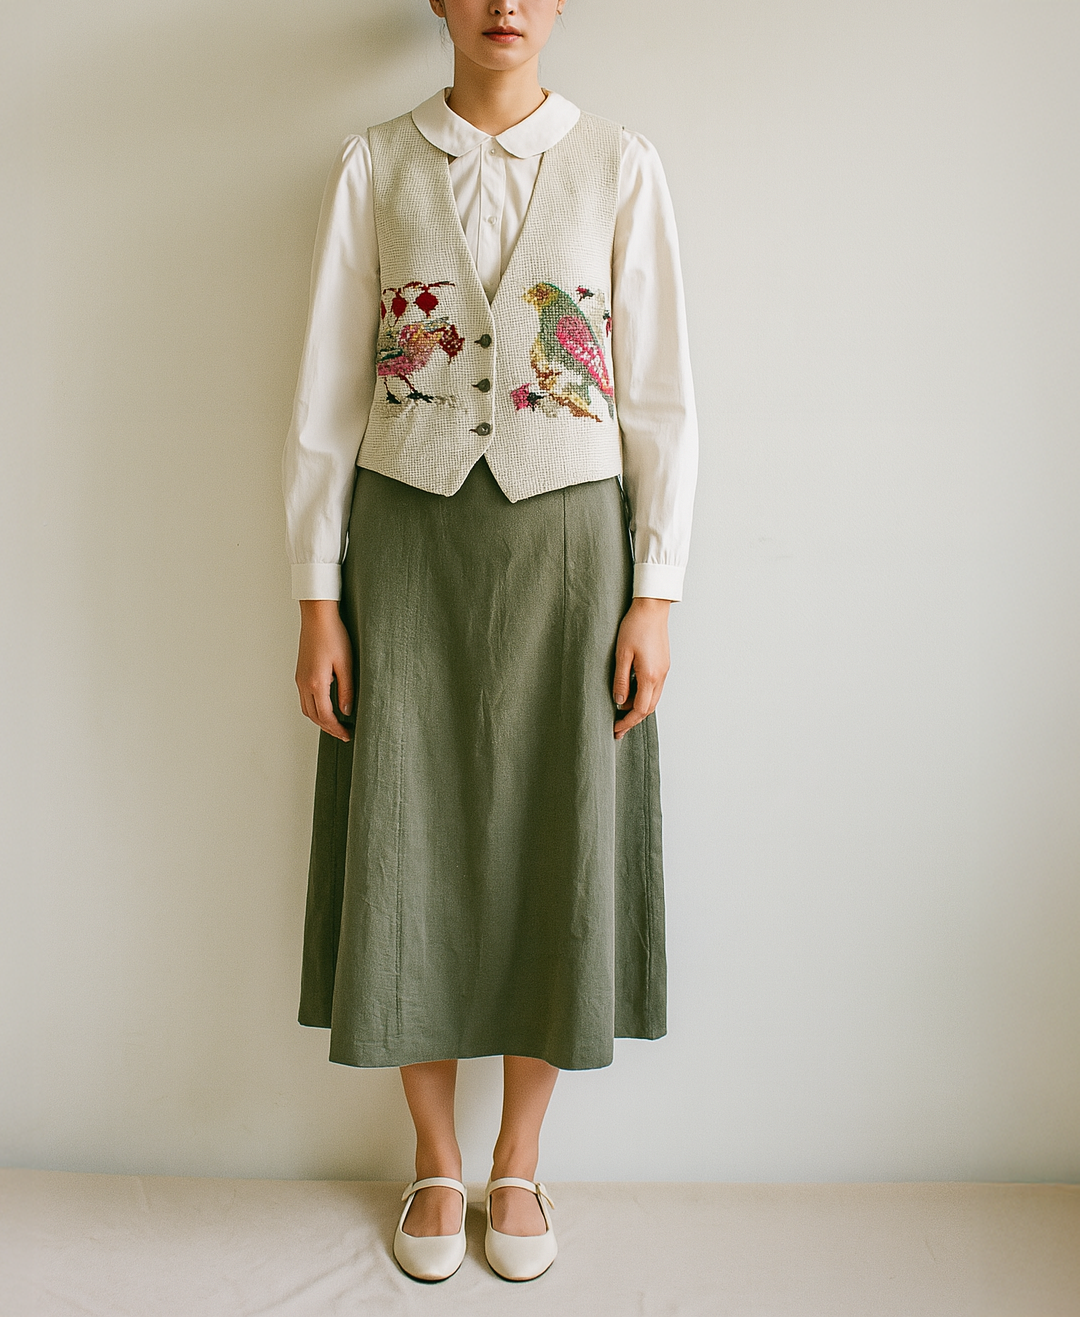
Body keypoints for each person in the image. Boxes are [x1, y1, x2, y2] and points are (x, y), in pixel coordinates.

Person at [280, 0, 699, 1284]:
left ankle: (518, 1158)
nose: (505, 6)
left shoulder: (620, 163)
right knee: (410, 828)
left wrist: (656, 591)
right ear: (439, 3)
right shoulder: (374, 163)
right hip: (406, 550)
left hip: (573, 552)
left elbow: (664, 391)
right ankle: (434, 1159)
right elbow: (326, 394)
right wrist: (316, 598)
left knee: (551, 833)